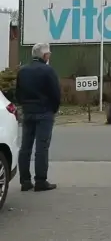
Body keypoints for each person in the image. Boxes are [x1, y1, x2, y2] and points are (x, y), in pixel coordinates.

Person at [16, 43, 60, 192]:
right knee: (42, 147)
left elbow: (18, 93)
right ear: (44, 55)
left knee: (25, 147)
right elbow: (55, 93)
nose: (49, 56)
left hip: (28, 111)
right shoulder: (48, 71)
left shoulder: (23, 71)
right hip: (44, 112)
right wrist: (53, 109)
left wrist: (24, 106)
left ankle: (25, 181)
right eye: (48, 54)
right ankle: (40, 180)